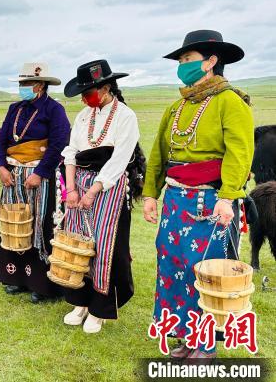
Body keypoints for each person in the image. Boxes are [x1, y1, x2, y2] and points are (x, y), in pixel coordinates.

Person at [143, 30, 254, 361]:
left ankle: (206, 344)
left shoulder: (230, 102)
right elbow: (159, 154)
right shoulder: (177, 107)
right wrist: (151, 193)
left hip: (211, 200)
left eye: (187, 60)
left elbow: (240, 153)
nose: (181, 66)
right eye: (180, 61)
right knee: (172, 262)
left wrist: (228, 196)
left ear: (211, 61)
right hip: (175, 201)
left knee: (202, 268)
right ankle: (187, 336)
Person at [60, 60, 143, 334]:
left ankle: (100, 308)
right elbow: (71, 152)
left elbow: (119, 160)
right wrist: (71, 189)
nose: (84, 98)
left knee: (106, 245)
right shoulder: (83, 116)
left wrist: (94, 190)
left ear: (106, 88)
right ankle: (80, 301)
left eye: (89, 92)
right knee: (77, 242)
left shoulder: (125, 116)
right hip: (78, 184)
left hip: (109, 187)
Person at [0, 63, 70, 303]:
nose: (21, 88)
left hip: (39, 177)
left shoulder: (54, 110)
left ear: (39, 85)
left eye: (25, 84)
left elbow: (59, 143)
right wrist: (1, 167)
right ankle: (15, 278)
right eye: (20, 84)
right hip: (12, 174)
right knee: (13, 222)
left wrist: (40, 172)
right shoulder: (14, 108)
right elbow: (1, 141)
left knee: (39, 224)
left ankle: (42, 283)